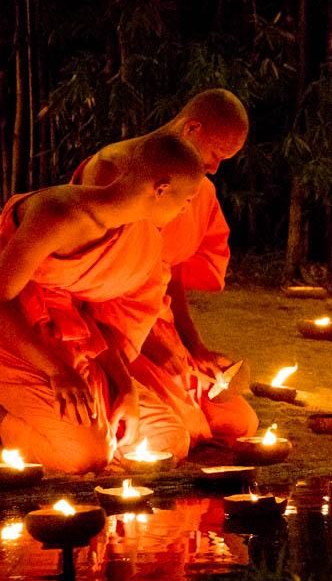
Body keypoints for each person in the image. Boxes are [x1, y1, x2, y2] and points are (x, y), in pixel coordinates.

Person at [0, 134, 205, 473]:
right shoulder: (60, 214)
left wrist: (125, 387)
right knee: (84, 457)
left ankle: (84, 428)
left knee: (168, 440)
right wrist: (58, 370)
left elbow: (92, 317)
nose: (186, 209)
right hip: (20, 342)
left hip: (75, 341)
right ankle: (7, 418)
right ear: (161, 189)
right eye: (188, 199)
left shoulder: (130, 231)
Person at [72, 89, 257, 443]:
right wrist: (146, 345)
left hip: (156, 326)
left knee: (238, 422)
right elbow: (87, 292)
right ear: (192, 129)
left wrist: (193, 346)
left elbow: (169, 276)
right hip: (109, 334)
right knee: (182, 433)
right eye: (216, 155)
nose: (215, 169)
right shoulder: (112, 170)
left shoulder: (197, 191)